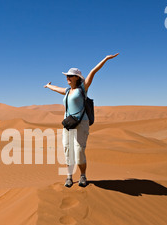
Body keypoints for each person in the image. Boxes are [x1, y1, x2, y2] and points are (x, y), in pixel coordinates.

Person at [44, 53, 119, 187]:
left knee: (79, 151)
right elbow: (56, 89)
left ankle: (83, 176)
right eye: (66, 76)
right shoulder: (67, 91)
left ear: (77, 78)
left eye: (70, 76)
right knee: (67, 150)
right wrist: (48, 86)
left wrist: (106, 59)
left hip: (81, 123)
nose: (67, 77)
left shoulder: (82, 88)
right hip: (68, 124)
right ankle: (69, 176)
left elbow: (93, 71)